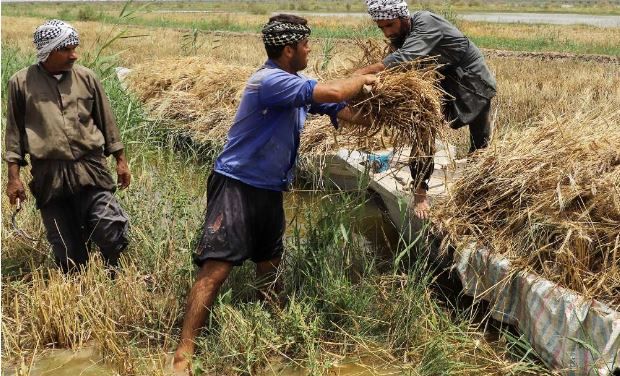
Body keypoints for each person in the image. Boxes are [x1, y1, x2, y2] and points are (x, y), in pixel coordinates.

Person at [172, 14, 376, 373]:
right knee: (217, 267)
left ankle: (275, 321)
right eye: (306, 44)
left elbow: (349, 111)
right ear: (288, 49)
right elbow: (335, 91)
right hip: (236, 183)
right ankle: (183, 352)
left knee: (270, 260)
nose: (310, 49)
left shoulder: (294, 85)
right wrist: (361, 80)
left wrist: (388, 89)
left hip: (268, 187)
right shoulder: (270, 81)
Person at [4, 20, 131, 273]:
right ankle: (79, 274)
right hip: (49, 173)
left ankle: (114, 269)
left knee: (109, 227)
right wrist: (13, 178)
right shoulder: (21, 83)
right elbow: (14, 134)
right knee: (67, 253)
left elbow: (107, 121)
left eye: (75, 47)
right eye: (67, 49)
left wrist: (120, 159)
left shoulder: (87, 78)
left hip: (90, 167)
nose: (74, 54)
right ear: (48, 51)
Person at [356, 0, 497, 219]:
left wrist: (358, 75)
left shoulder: (425, 22)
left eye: (390, 25)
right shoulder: (400, 35)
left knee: (480, 135)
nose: (386, 33)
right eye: (381, 27)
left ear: (404, 17)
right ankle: (420, 192)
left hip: (470, 78)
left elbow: (403, 59)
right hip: (440, 82)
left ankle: (479, 187)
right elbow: (399, 65)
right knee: (424, 129)